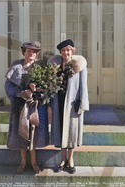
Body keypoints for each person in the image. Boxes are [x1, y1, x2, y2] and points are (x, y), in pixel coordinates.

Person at [5, 41, 49, 174]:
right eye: (29, 51)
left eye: (34, 51)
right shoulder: (16, 67)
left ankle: (34, 162)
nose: (32, 53)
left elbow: (48, 88)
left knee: (34, 134)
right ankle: (23, 162)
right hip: (20, 106)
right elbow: (8, 86)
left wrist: (38, 93)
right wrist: (22, 94)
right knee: (22, 133)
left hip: (36, 106)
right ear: (23, 52)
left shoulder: (41, 68)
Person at [48, 39, 89, 174]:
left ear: (72, 51)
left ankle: (71, 160)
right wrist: (48, 104)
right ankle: (62, 159)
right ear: (60, 52)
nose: (66, 52)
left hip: (72, 104)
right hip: (58, 102)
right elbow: (49, 86)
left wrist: (83, 103)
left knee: (71, 132)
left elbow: (83, 85)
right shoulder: (55, 66)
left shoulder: (79, 65)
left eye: (69, 49)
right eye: (64, 50)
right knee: (61, 131)